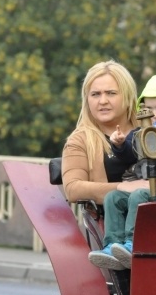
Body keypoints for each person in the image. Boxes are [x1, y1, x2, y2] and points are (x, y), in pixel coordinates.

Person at [88, 74, 156, 271]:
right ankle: (112, 246)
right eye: (149, 109)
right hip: (147, 188)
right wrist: (120, 145)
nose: (155, 114)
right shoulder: (140, 133)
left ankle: (132, 243)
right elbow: (130, 154)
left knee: (139, 194)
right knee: (113, 197)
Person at [61, 60, 147, 205]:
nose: (103, 101)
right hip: (112, 222)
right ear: (87, 99)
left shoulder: (150, 129)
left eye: (111, 93)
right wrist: (122, 187)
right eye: (95, 94)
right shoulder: (79, 140)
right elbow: (72, 189)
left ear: (128, 95)